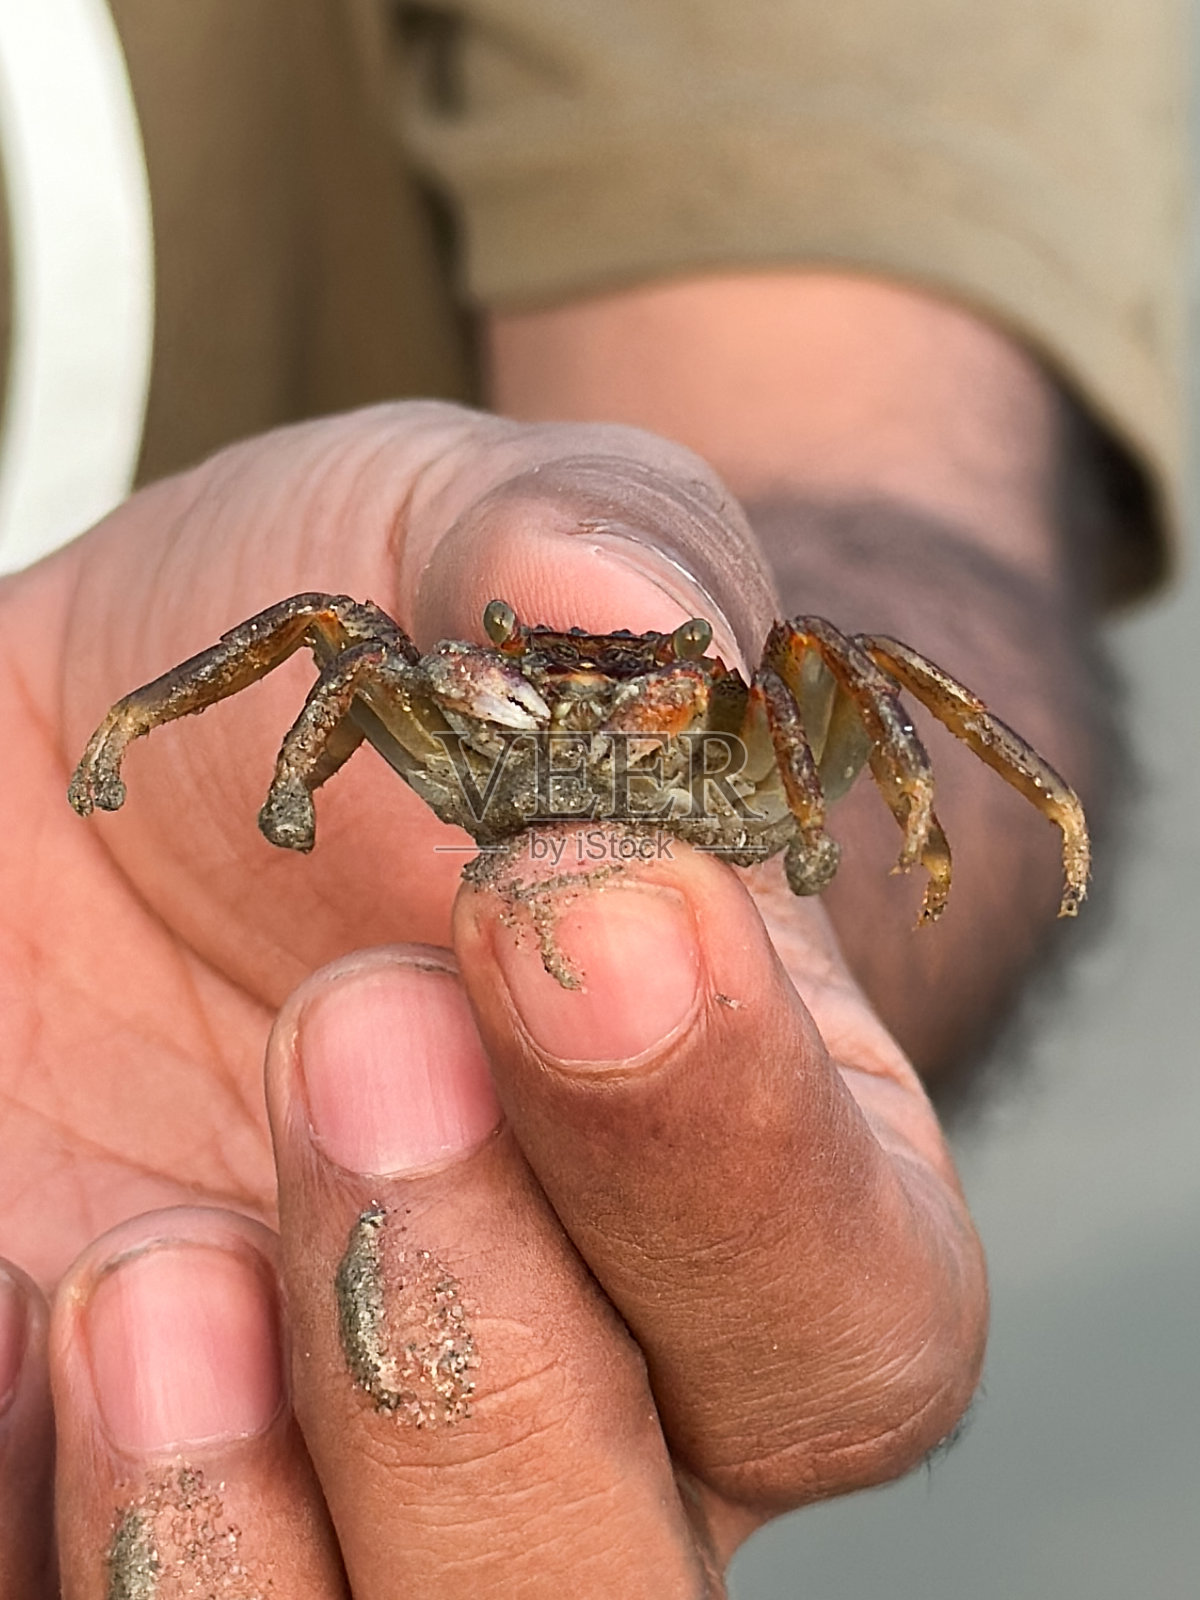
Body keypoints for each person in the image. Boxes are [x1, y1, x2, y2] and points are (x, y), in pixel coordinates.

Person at [0, 2, 1185, 1593]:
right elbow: (332, 652)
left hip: (347, 1031)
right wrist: (265, 773)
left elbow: (889, 553)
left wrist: (862, 875)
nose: (582, 689)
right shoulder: (450, 702)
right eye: (535, 659)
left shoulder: (743, 706)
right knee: (337, 636)